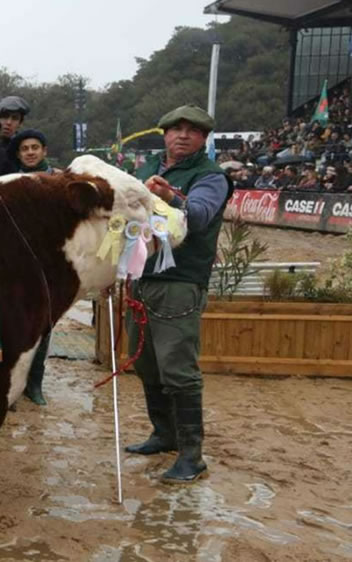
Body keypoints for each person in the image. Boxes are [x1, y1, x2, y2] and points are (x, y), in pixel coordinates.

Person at [126, 104, 232, 484]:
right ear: (164, 133)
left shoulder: (210, 176)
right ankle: (164, 434)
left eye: (192, 130)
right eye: (175, 129)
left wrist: (168, 197)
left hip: (180, 283)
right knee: (145, 362)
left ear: (204, 138)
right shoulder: (144, 168)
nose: (182, 135)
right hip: (141, 278)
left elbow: (200, 215)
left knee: (179, 370)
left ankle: (192, 455)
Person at [8, 129, 55, 407]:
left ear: (44, 150)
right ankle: (13, 384)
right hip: (14, 260)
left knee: (44, 324)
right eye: (25, 148)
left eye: (35, 147)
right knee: (13, 324)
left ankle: (35, 383)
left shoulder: (58, 180)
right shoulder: (9, 181)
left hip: (47, 262)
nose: (30, 152)